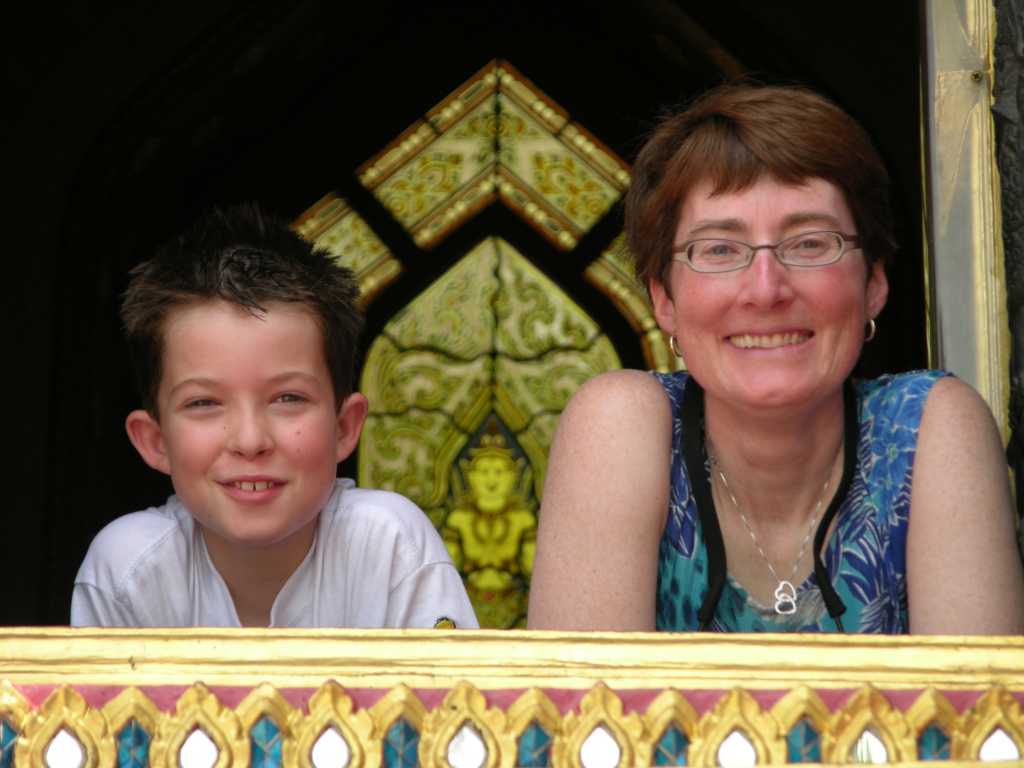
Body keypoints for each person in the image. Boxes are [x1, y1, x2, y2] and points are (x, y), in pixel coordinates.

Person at [527, 83, 1024, 634]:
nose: (765, 290)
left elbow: (978, 719)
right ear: (663, 299)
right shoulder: (620, 424)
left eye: (810, 243)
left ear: (874, 283)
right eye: (719, 249)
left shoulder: (928, 425)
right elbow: (588, 716)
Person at [71, 204, 477, 629]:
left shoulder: (391, 546)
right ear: (154, 441)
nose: (249, 440)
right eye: (204, 403)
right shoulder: (127, 571)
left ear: (344, 426)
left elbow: (454, 697)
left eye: (287, 398)